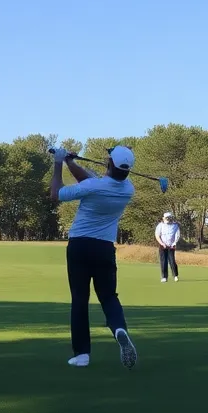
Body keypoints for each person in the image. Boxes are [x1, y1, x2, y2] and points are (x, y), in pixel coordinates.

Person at [49, 145, 138, 369]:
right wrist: (72, 163)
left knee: (80, 299)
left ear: (108, 163)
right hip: (105, 249)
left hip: (79, 246)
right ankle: (119, 329)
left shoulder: (94, 186)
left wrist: (59, 162)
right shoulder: (128, 189)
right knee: (109, 297)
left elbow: (56, 193)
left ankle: (82, 355)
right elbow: (89, 179)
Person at [154, 211, 181, 283]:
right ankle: (164, 277)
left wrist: (174, 243)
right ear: (164, 218)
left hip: (171, 246)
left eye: (169, 218)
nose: (168, 219)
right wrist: (162, 243)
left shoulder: (175, 225)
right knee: (163, 261)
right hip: (163, 245)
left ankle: (175, 275)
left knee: (172, 261)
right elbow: (157, 235)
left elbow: (177, 235)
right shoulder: (160, 225)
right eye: (166, 218)